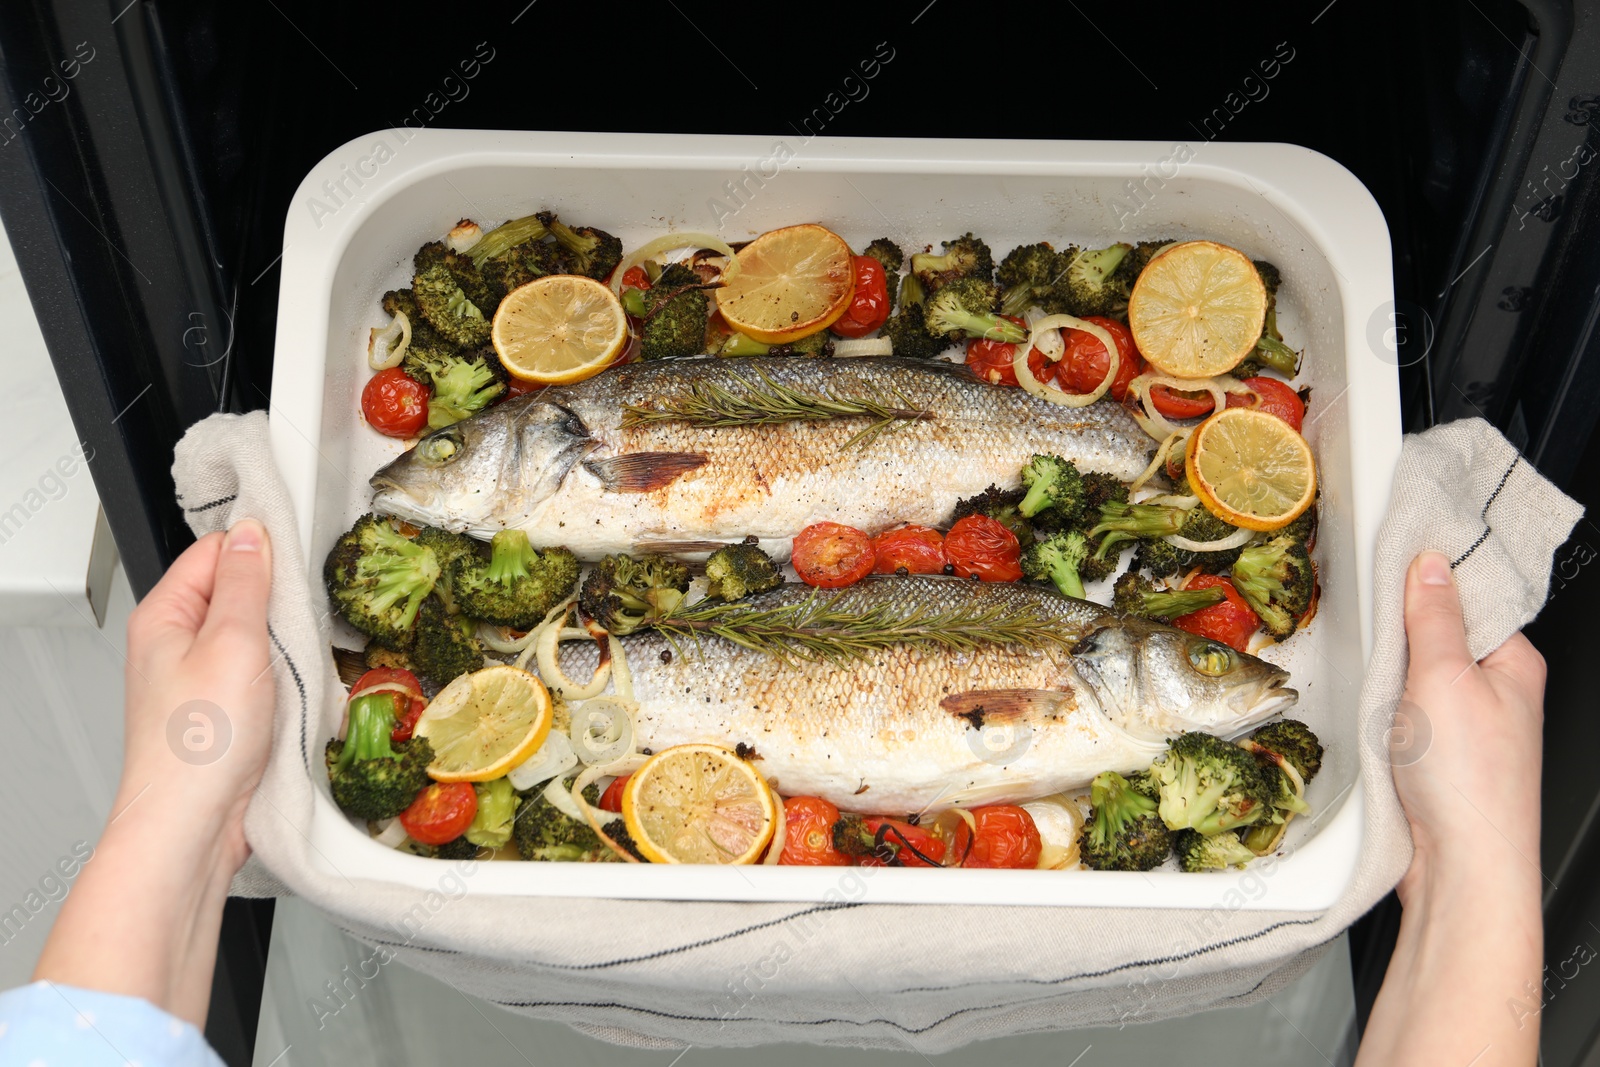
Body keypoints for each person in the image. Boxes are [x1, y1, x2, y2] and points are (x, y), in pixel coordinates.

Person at [0, 526, 1547, 1066]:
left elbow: (88, 1050)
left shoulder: (1092, 682)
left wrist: (183, 800)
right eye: (1204, 678)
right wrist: (1481, 868)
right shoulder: (1084, 669)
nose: (1242, 688)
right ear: (1128, 665)